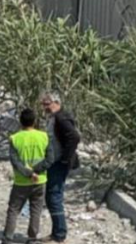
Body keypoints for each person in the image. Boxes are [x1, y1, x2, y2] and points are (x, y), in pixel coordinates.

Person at [2, 108, 54, 244]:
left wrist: (29, 173)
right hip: (40, 181)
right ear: (34, 121)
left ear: (20, 122)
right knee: (36, 210)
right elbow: (50, 159)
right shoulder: (44, 136)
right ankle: (32, 238)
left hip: (21, 182)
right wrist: (36, 172)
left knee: (13, 210)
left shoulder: (15, 138)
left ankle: (7, 238)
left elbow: (15, 162)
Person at [41, 92, 81, 243]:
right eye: (43, 104)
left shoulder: (61, 118)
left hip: (58, 163)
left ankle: (59, 234)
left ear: (56, 103)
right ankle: (57, 232)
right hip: (55, 162)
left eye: (47, 104)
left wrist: (65, 158)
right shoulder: (55, 118)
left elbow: (74, 137)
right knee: (51, 196)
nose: (44, 107)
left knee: (54, 197)